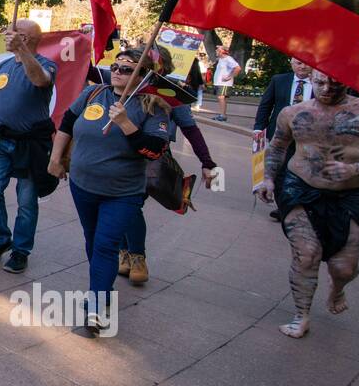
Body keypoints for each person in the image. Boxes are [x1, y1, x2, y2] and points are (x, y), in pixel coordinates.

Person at [255, 71, 359, 338]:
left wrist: (357, 168)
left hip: (350, 196)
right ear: (311, 78)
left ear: (346, 81)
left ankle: (337, 289)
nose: (325, 89)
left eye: (334, 83)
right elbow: (277, 146)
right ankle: (301, 315)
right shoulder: (293, 112)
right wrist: (266, 178)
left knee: (343, 268)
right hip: (298, 188)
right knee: (306, 255)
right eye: (319, 82)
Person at [48, 50, 171, 335]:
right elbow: (67, 123)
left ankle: (96, 305)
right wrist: (56, 158)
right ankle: (99, 286)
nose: (117, 72)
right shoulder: (94, 93)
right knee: (92, 240)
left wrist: (126, 124)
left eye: (127, 69)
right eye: (115, 67)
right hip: (83, 185)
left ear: (143, 75)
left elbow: (154, 149)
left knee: (106, 245)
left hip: (122, 192)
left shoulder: (154, 107)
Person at [116, 47, 218, 284]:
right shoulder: (119, 84)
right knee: (121, 204)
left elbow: (190, 128)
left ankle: (137, 256)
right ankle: (124, 253)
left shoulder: (168, 92)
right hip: (118, 157)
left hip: (151, 157)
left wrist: (207, 162)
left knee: (130, 206)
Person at [0, 19, 57, 275]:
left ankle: (21, 250)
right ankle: (1, 238)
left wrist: (22, 50)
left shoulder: (46, 65)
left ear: (28, 38)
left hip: (31, 143)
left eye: (16, 34)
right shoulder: (4, 65)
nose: (8, 37)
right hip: (1, 140)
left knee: (27, 200)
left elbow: (39, 81)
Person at [253, 57, 316, 218]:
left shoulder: (320, 83)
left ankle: (300, 204)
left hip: (308, 136)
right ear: (291, 63)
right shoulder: (279, 80)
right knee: (280, 170)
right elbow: (266, 105)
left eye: (305, 63)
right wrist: (259, 128)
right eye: (298, 63)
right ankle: (284, 207)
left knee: (302, 170)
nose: (302, 66)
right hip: (280, 134)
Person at [212, 45, 241, 121]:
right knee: (220, 98)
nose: (216, 51)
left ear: (222, 51)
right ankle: (222, 115)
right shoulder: (221, 59)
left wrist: (230, 77)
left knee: (221, 97)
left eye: (217, 50)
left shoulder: (228, 59)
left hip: (224, 83)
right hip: (219, 83)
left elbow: (238, 68)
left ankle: (223, 115)